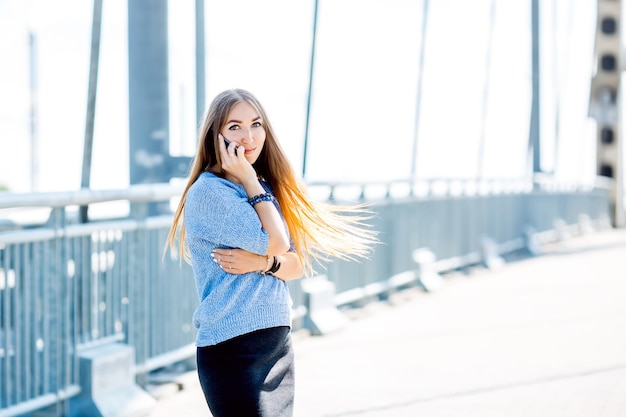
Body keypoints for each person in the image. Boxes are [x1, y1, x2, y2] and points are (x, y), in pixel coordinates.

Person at [165, 88, 377, 416]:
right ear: (216, 136)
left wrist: (263, 262)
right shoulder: (210, 192)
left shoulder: (262, 190)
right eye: (234, 127)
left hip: (275, 342)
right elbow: (277, 243)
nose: (249, 136)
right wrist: (250, 182)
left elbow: (295, 264)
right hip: (233, 346)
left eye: (256, 124)